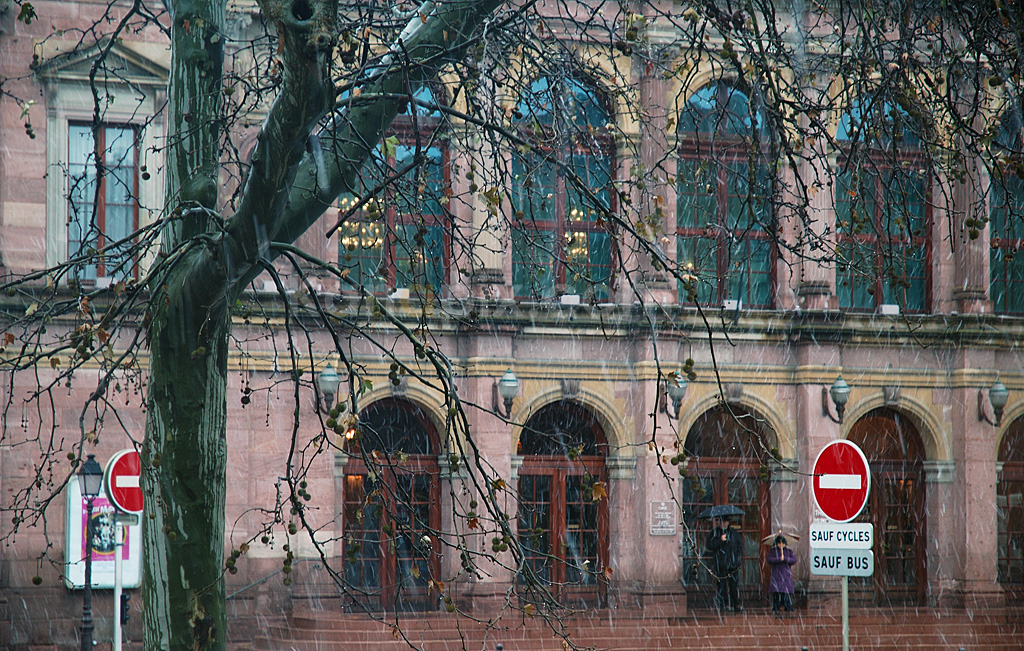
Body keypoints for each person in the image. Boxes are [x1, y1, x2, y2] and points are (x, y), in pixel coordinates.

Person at [706, 516, 744, 612]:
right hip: (721, 563)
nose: (724, 523)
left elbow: (740, 547)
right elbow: (709, 545)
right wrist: (720, 540)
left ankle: (735, 603)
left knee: (734, 585)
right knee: (721, 585)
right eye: (722, 521)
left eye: (726, 521)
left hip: (733, 563)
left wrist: (738, 559)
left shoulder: (734, 533)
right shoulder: (714, 533)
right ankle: (724, 604)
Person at [767, 535, 796, 613]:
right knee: (777, 592)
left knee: (786, 592)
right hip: (777, 574)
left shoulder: (789, 551)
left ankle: (787, 605)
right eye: (779, 543)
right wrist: (779, 559)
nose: (781, 545)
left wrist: (785, 559)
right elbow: (769, 560)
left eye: (782, 543)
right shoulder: (773, 551)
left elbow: (793, 560)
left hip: (786, 574)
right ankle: (776, 605)